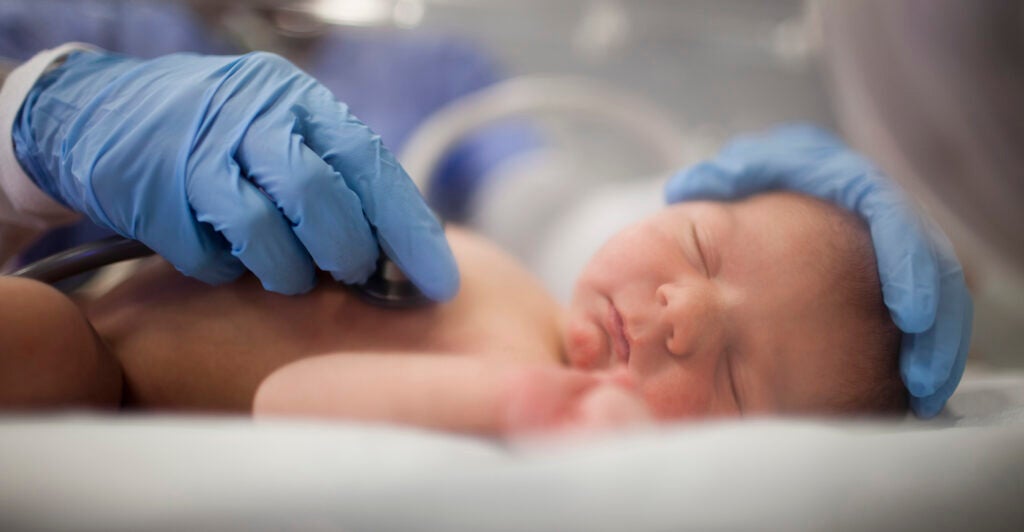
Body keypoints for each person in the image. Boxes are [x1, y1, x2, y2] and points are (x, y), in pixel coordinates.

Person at [0, 191, 905, 436]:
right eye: (703, 248)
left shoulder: (521, 391)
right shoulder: (512, 281)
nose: (686, 314)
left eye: (739, 377)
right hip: (104, 281)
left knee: (34, 344)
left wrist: (525, 409)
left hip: (100, 368)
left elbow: (292, 397)